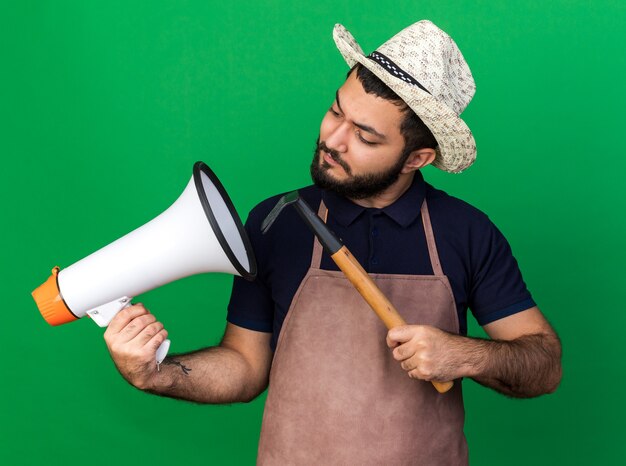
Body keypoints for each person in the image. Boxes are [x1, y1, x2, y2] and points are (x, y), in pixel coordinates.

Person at [104, 20, 562, 465]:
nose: (333, 139)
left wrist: (464, 355)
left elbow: (543, 364)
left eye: (365, 136)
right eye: (336, 111)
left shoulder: (467, 232)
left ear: (417, 158)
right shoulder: (275, 222)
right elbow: (244, 367)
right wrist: (156, 373)